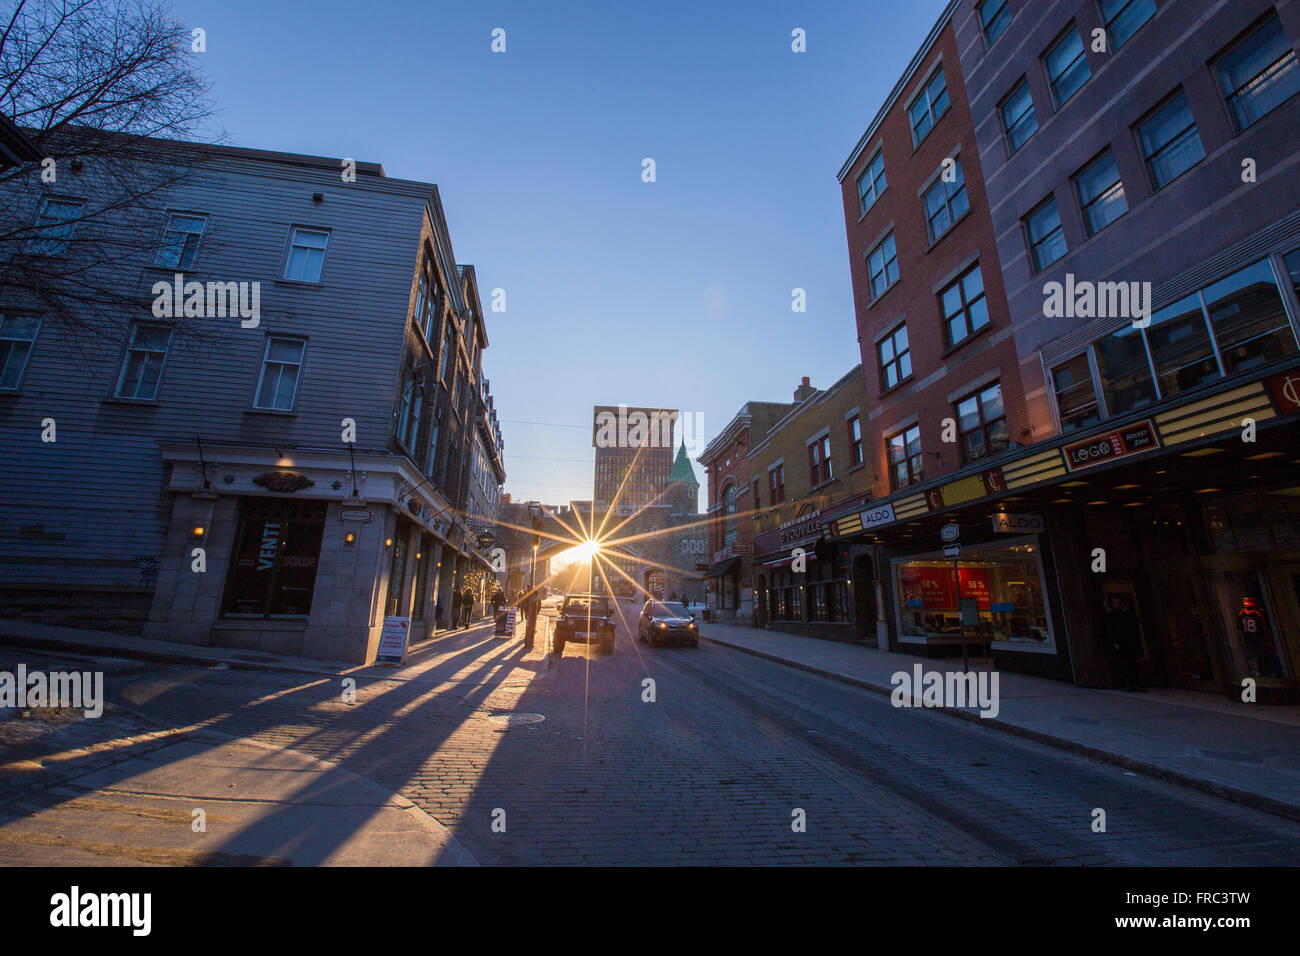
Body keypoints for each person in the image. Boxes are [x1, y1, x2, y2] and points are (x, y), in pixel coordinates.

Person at [1103, 593, 1145, 691]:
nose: (1116, 604)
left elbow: (1135, 622)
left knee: (1133, 663)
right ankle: (1128, 683)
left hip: (1130, 641)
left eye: (1118, 602)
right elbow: (1110, 629)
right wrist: (1114, 642)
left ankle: (1135, 683)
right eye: (1114, 603)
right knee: (1124, 664)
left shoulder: (1126, 613)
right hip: (1121, 642)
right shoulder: (1112, 614)